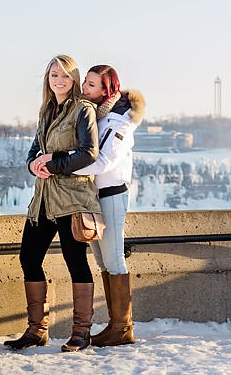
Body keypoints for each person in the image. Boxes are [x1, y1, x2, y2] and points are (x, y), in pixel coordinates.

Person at [4, 55, 101, 352]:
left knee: (76, 263)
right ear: (48, 78)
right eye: (53, 74)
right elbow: (34, 150)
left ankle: (81, 333)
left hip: (72, 200)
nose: (59, 80)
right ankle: (36, 330)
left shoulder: (83, 110)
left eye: (65, 75)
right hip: (44, 199)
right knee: (28, 258)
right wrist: (33, 164)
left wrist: (54, 162)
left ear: (73, 79)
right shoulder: (47, 110)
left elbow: (89, 153)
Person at [75, 64, 145, 347]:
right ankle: (116, 324)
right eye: (86, 83)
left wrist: (61, 167)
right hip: (94, 198)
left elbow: (103, 161)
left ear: (107, 90)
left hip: (113, 196)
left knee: (115, 259)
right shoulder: (97, 115)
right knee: (103, 261)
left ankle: (123, 327)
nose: (84, 88)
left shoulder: (120, 121)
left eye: (91, 85)